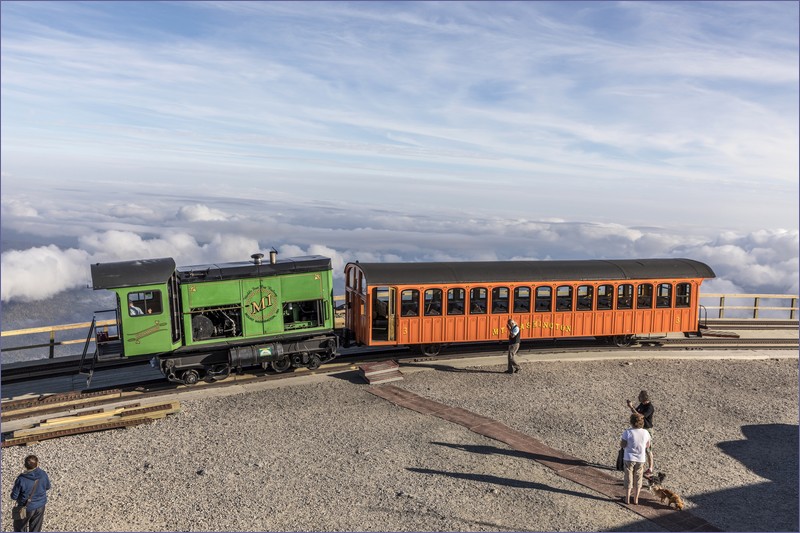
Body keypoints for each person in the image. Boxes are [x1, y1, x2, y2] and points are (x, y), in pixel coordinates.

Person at [10, 455, 51, 532]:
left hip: (26, 507)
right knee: (36, 528)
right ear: (37, 464)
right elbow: (48, 487)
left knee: (20, 528)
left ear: (25, 465)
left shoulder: (21, 479)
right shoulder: (43, 474)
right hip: (40, 506)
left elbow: (14, 496)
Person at [620, 413, 651, 505]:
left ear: (632, 422)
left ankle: (627, 498)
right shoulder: (646, 432)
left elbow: (623, 444)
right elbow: (648, 445)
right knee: (638, 478)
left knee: (628, 477)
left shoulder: (628, 432)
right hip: (640, 458)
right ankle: (636, 499)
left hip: (629, 457)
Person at [626, 390, 654, 475]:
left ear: (644, 398)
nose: (638, 397)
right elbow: (636, 413)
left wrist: (631, 407)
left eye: (640, 396)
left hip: (647, 429)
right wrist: (631, 407)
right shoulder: (642, 405)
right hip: (639, 428)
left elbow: (639, 416)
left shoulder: (649, 407)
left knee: (648, 449)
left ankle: (650, 468)